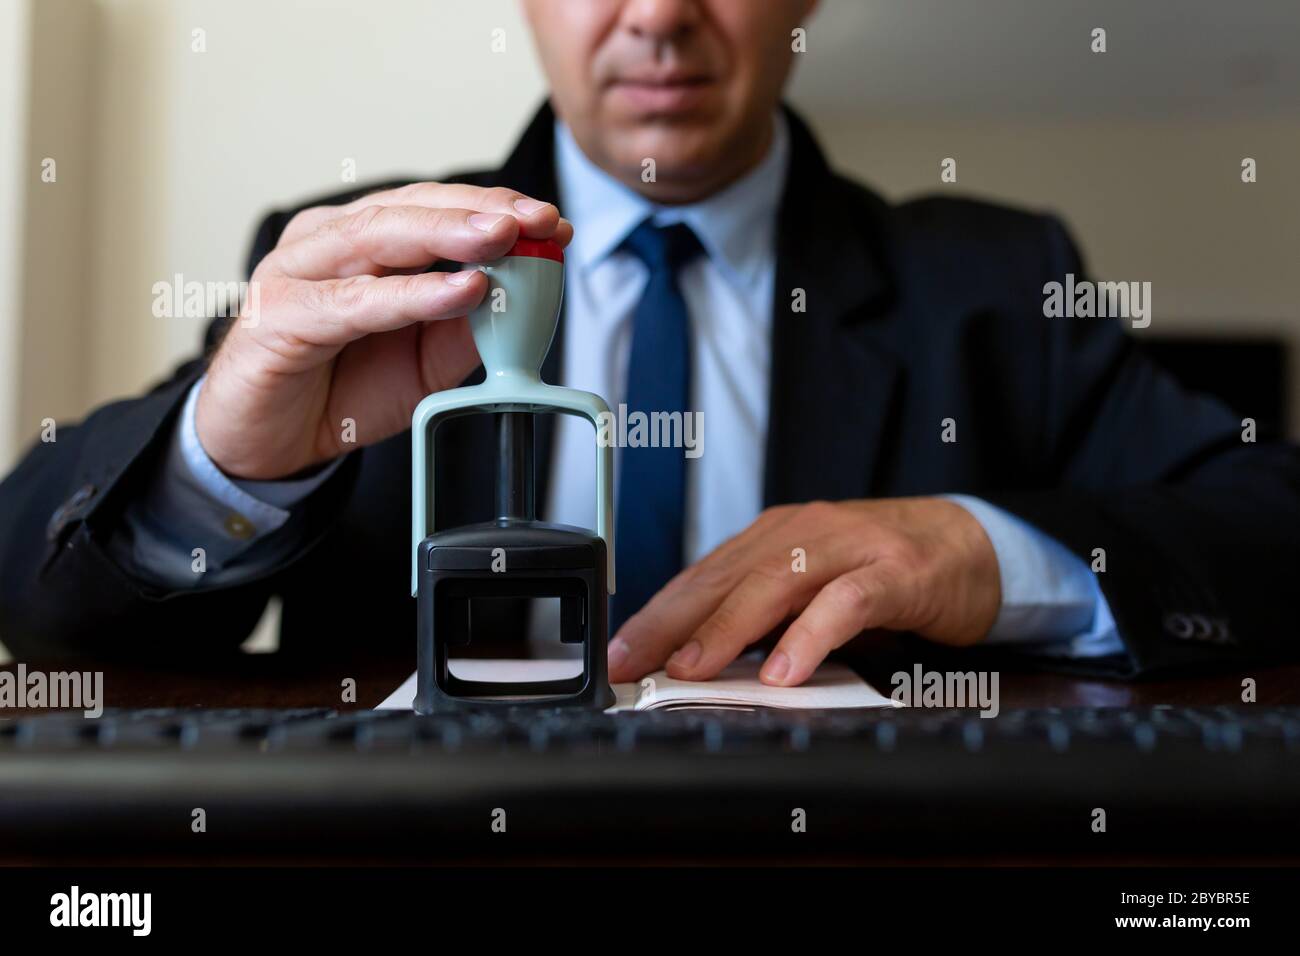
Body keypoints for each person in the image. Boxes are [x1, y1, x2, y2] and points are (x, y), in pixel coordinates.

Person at [1, 0, 1296, 685]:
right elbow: (37, 606)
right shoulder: (349, 261)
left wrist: (984, 549)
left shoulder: (1000, 284)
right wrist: (221, 471)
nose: (660, 14)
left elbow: (1275, 519)